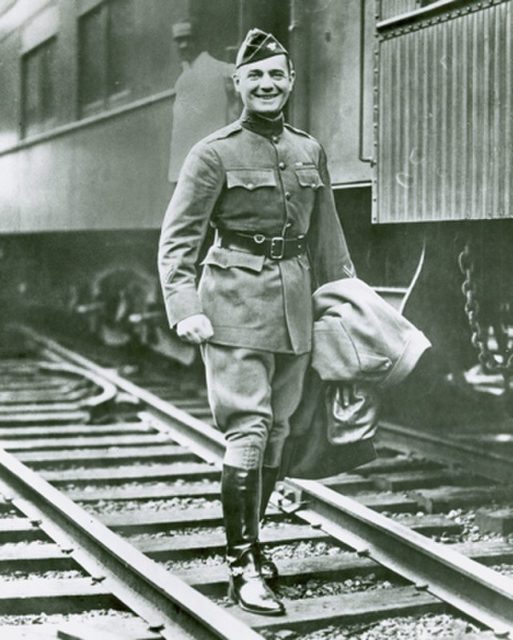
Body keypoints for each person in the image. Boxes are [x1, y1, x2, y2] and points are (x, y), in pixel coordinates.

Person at [158, 28, 355, 616]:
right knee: (249, 427)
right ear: (237, 84)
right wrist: (186, 308)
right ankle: (242, 563)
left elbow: (329, 237)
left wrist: (348, 298)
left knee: (278, 430)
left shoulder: (307, 149)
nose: (266, 85)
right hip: (233, 303)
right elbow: (178, 241)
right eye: (255, 76)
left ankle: (253, 546)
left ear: (290, 83)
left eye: (276, 76)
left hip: (294, 306)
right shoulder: (213, 152)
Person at [168, 20, 237, 183]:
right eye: (179, 41)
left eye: (188, 39)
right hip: (187, 167)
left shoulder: (220, 69)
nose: (184, 45)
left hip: (211, 162)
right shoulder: (183, 78)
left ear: (199, 41)